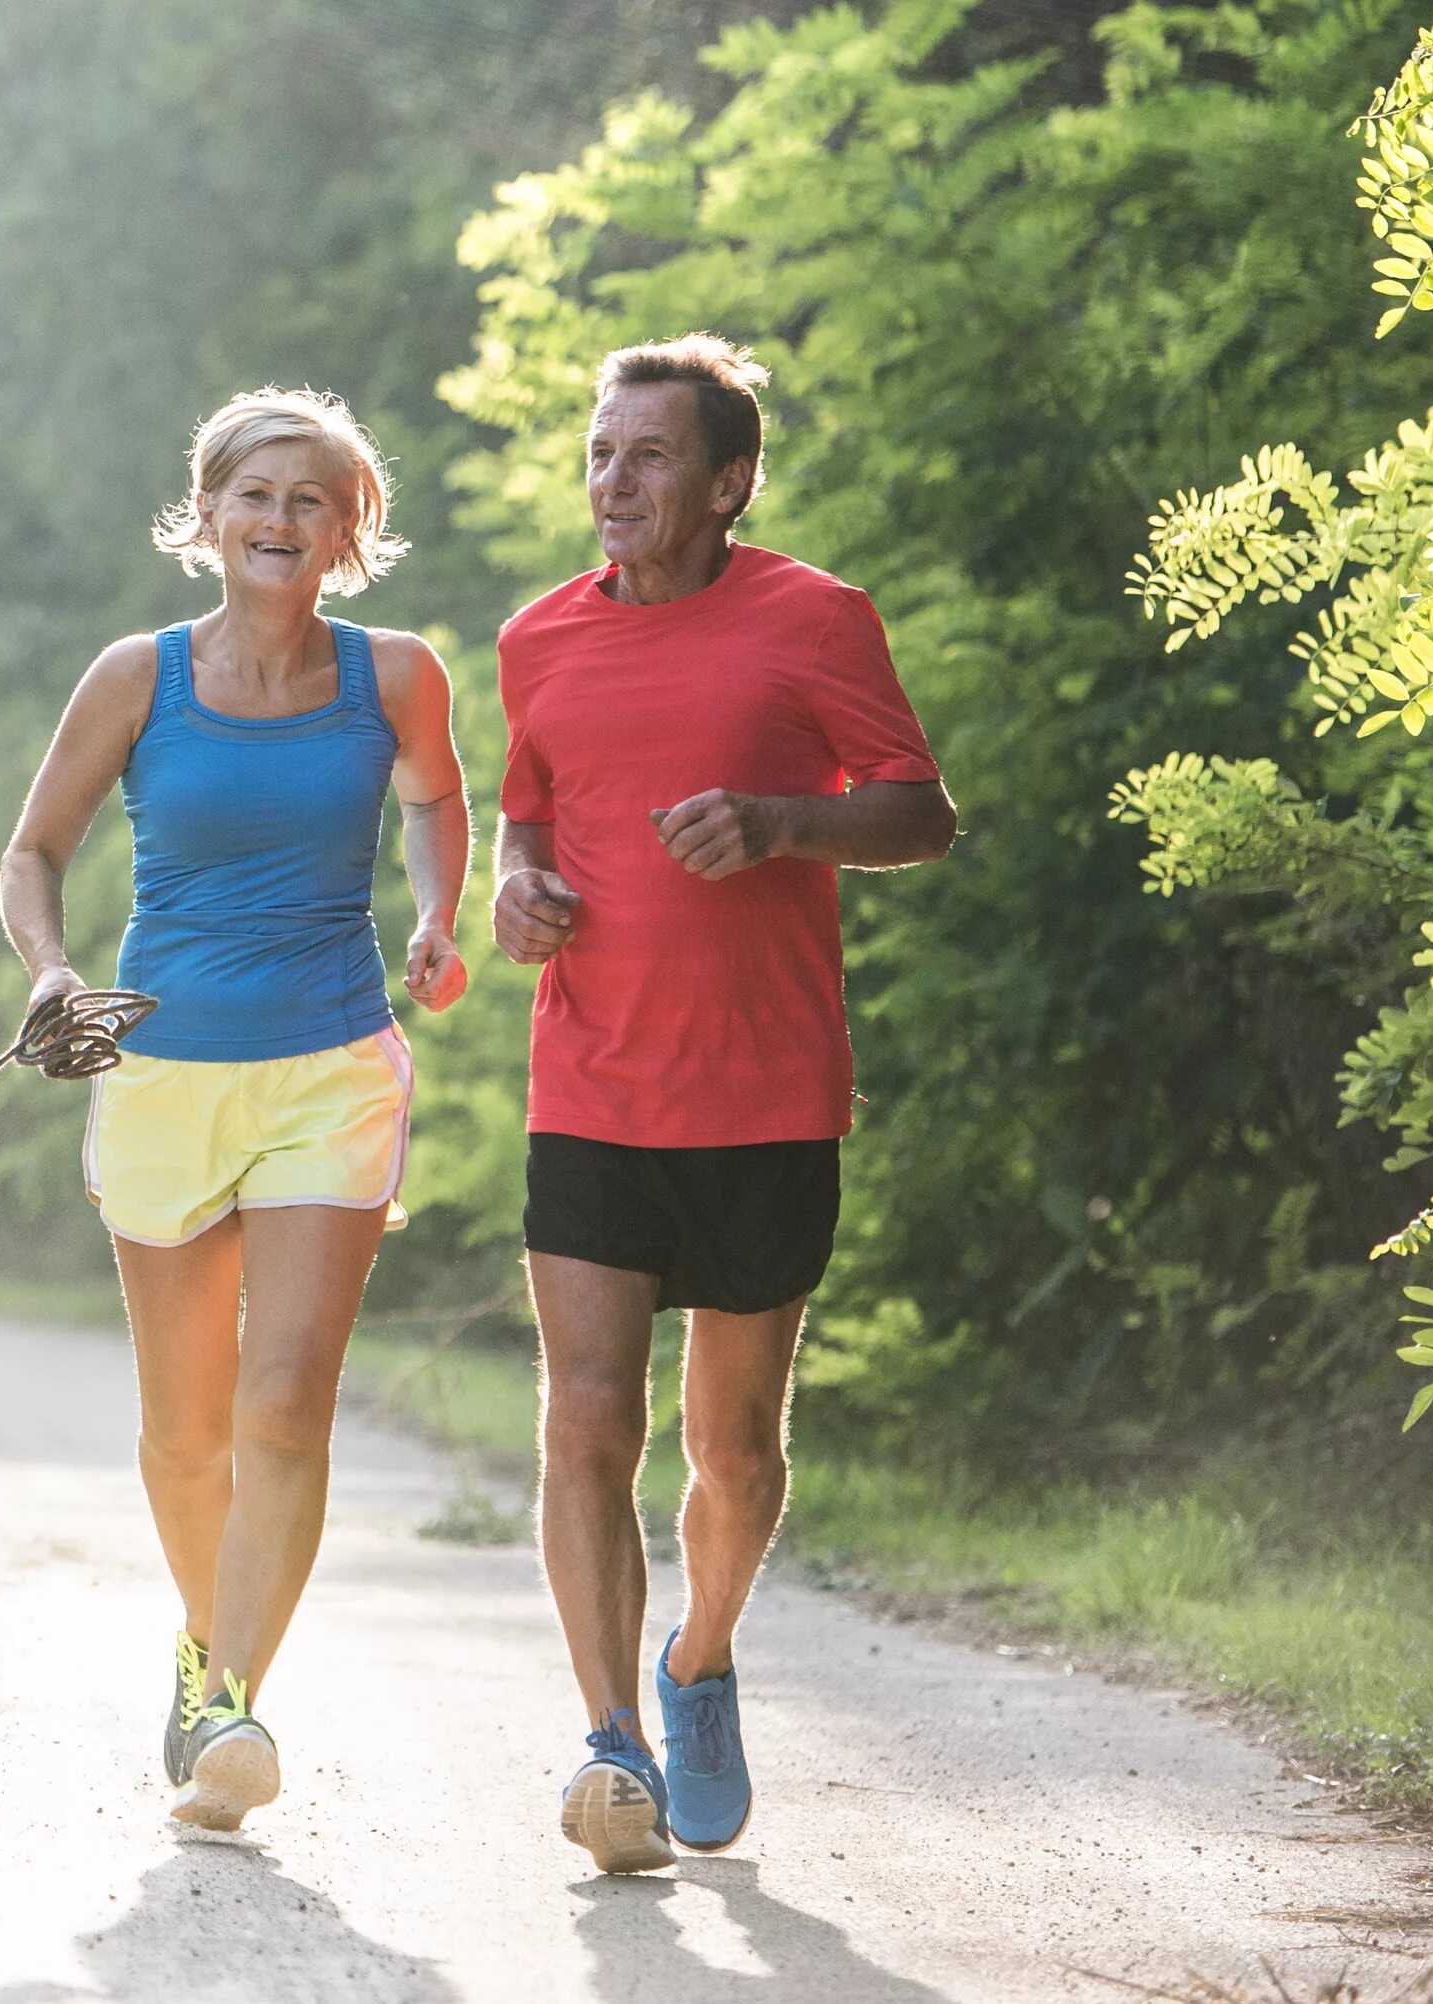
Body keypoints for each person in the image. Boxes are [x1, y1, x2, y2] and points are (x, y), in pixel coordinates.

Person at [492, 333, 957, 1874]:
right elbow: (527, 816)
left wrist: (775, 823)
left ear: (728, 480)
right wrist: (519, 894)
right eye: (601, 454)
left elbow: (917, 813)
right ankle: (612, 1739)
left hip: (765, 1092)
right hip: (595, 1080)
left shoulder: (817, 620)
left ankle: (700, 1662)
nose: (615, 482)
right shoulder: (539, 638)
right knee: (584, 1416)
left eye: (650, 456)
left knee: (735, 1454)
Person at [0, 387, 471, 1831]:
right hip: (160, 1076)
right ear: (206, 517)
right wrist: (56, 971)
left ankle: (231, 1702)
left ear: (349, 528)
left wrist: (441, 914)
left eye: (309, 500)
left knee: (287, 1400)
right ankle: (207, 1655)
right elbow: (32, 853)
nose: (279, 522)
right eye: (255, 496)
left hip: (331, 1067)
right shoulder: (138, 678)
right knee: (186, 1428)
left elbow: (437, 802)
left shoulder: (395, 675)